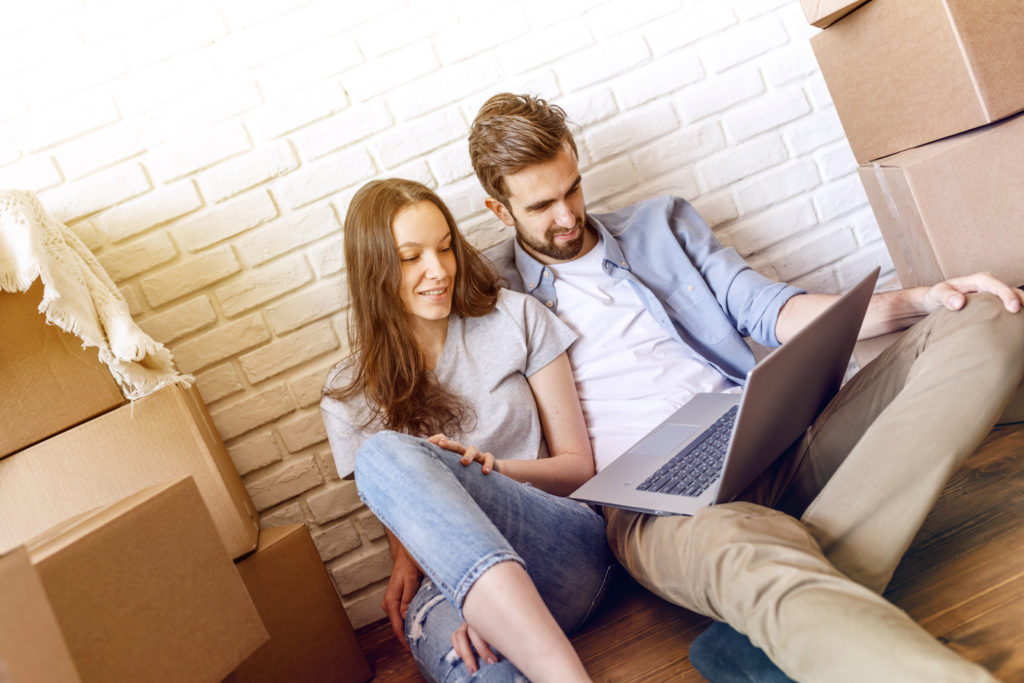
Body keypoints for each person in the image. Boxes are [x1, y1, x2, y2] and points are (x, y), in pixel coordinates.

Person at [468, 92, 1024, 682]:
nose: (568, 216)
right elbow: (458, 436)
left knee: (989, 316)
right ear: (500, 212)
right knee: (743, 551)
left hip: (764, 436)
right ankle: (792, 620)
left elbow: (769, 310)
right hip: (654, 503)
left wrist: (919, 301)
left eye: (573, 189)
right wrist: (479, 585)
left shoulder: (661, 226)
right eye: (541, 206)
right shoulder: (489, 297)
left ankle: (768, 632)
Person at [319, 178, 617, 683]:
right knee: (482, 670)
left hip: (563, 552)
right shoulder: (348, 393)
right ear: (373, 270)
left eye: (445, 248)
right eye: (411, 257)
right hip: (453, 580)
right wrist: (467, 602)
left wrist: (492, 471)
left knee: (387, 452)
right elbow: (411, 539)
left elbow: (578, 468)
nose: (438, 271)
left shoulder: (517, 318)